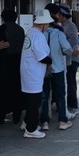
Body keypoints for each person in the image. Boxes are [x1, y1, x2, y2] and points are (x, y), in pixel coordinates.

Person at [0, 8, 25, 126]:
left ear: (3, 18)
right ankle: (16, 116)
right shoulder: (20, 29)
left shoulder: (1, 29)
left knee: (1, 92)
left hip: (4, 63)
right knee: (16, 90)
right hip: (18, 62)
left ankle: (0, 117)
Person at [20, 9, 53, 139]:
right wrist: (51, 61)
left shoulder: (30, 32)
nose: (48, 25)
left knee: (30, 101)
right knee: (35, 102)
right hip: (34, 73)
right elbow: (42, 57)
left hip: (27, 71)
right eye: (47, 23)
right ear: (43, 23)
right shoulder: (39, 36)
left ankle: (27, 123)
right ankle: (31, 129)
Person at [40, 17, 73, 130]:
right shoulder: (59, 34)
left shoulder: (40, 34)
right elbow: (68, 48)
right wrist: (63, 52)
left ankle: (44, 122)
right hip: (58, 68)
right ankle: (62, 121)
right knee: (60, 95)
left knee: (44, 96)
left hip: (44, 69)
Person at [56, 4, 79, 117]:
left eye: (59, 14)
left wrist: (63, 45)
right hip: (65, 58)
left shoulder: (71, 26)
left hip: (72, 58)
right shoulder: (61, 25)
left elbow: (74, 41)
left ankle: (73, 105)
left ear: (63, 15)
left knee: (71, 82)